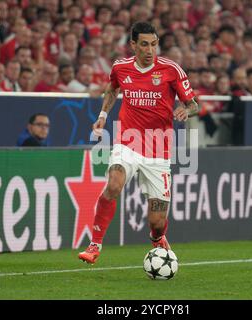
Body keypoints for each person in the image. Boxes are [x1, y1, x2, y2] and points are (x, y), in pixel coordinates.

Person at [78, 22, 198, 264]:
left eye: (154, 44)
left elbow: (194, 104)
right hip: (127, 142)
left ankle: (157, 239)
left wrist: (186, 110)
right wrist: (102, 117)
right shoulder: (121, 68)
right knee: (114, 184)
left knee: (157, 222)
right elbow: (112, 89)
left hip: (159, 149)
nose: (150, 49)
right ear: (133, 44)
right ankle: (95, 244)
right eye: (144, 44)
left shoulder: (171, 70)